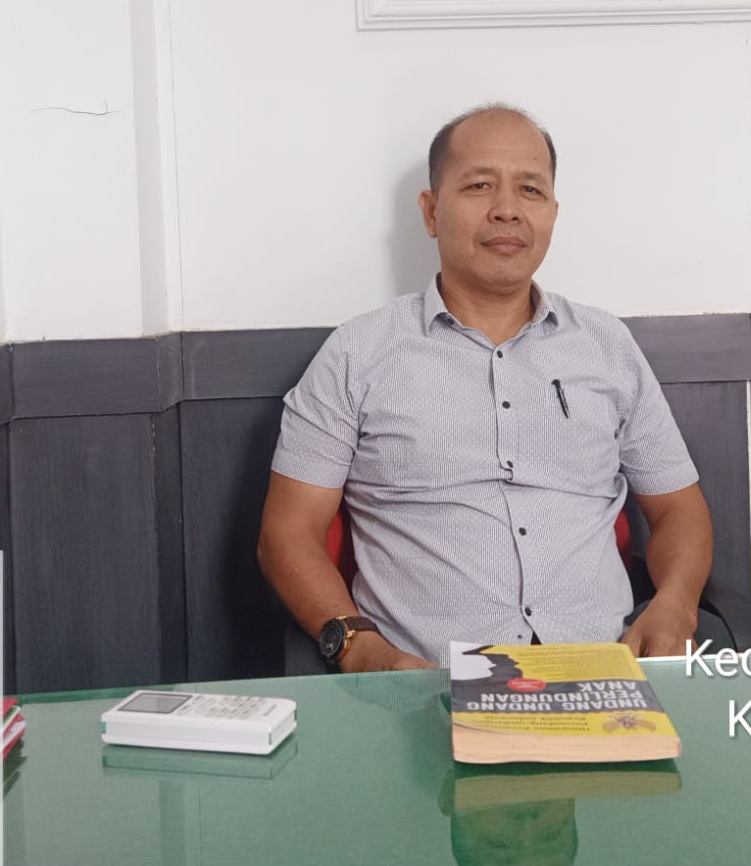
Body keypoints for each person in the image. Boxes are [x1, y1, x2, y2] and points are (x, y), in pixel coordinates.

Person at [256, 104, 714, 671]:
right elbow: (287, 533)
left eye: (530, 190)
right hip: (427, 687)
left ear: (552, 213)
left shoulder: (606, 345)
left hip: (602, 675)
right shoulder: (358, 353)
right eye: (479, 185)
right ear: (431, 211)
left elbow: (678, 510)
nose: (507, 210)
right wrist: (358, 646)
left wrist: (676, 606)